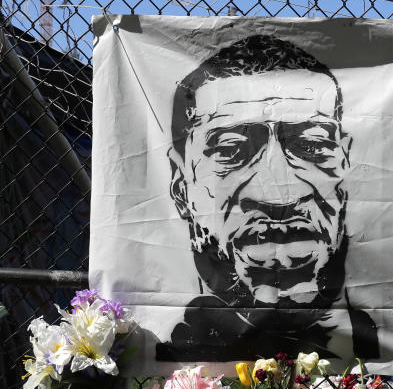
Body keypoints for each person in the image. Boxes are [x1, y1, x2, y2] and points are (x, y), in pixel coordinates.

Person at [155, 34, 379, 361]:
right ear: (180, 187)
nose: (278, 193)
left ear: (345, 166)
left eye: (314, 146)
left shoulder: (386, 343)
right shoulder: (151, 345)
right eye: (231, 150)